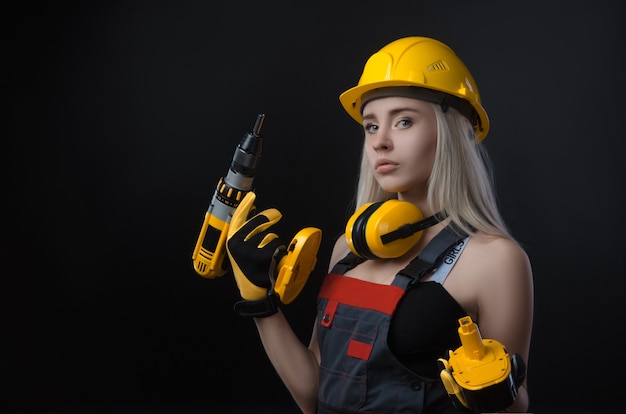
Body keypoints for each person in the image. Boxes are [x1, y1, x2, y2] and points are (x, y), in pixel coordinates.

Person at [225, 36, 534, 413]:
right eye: (371, 126)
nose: (380, 142)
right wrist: (261, 302)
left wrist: (491, 390)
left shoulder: (494, 259)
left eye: (404, 121)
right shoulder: (348, 250)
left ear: (455, 132)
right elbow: (313, 395)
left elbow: (514, 407)